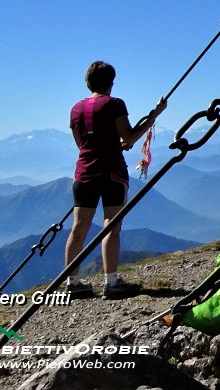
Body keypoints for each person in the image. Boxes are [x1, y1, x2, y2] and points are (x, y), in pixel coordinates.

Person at [64, 61, 165, 298]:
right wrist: (155, 115)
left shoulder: (76, 109)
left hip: (84, 174)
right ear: (111, 82)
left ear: (88, 82)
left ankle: (72, 282)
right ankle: (111, 282)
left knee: (79, 227)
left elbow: (83, 144)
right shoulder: (114, 104)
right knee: (112, 225)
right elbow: (129, 136)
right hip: (111, 173)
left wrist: (111, 145)